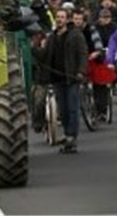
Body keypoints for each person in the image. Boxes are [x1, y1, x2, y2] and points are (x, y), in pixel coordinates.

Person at [44, 8, 87, 153]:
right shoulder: (52, 37)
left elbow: (82, 54)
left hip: (72, 77)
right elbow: (46, 56)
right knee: (63, 110)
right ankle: (68, 134)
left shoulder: (76, 35)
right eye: (57, 17)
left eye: (62, 17)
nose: (59, 19)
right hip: (57, 78)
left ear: (67, 19)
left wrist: (81, 71)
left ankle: (71, 137)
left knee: (72, 108)